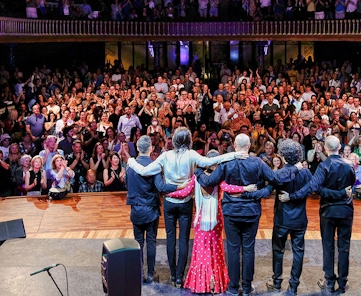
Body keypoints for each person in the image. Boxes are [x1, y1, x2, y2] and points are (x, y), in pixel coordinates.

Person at [126, 127, 248, 288]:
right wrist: (234, 154)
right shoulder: (191, 155)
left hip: (170, 201)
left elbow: (144, 170)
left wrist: (130, 160)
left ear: (174, 140)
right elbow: (211, 161)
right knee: (183, 240)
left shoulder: (165, 156)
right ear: (189, 140)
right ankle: (178, 278)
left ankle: (171, 274)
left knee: (171, 239)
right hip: (185, 202)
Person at [193, 133, 296, 296]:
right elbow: (275, 179)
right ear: (249, 146)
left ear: (234, 145)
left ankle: (233, 288)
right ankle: (247, 287)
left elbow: (208, 182)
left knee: (233, 249)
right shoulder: (257, 163)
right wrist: (266, 190)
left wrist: (197, 170)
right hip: (251, 212)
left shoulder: (226, 162)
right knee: (248, 249)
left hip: (231, 212)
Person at [168, 152, 255, 294]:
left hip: (200, 218)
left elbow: (185, 192)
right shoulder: (218, 178)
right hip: (215, 218)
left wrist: (168, 193)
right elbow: (228, 188)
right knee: (216, 249)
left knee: (201, 250)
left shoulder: (196, 178)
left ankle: (202, 283)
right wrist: (244, 188)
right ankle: (215, 281)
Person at [279, 135, 355, 295]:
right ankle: (342, 283)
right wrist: (341, 193)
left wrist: (292, 196)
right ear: (339, 147)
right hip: (346, 210)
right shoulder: (349, 165)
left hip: (328, 211)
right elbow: (350, 186)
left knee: (328, 247)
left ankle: (329, 282)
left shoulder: (324, 166)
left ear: (326, 149)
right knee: (344, 248)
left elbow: (314, 188)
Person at [258, 139, 313, 296]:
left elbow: (269, 187)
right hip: (299, 219)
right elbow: (310, 190)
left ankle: (277, 283)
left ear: (283, 156)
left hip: (282, 219)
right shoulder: (306, 172)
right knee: (298, 252)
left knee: (278, 251)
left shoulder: (280, 173)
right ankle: (293, 286)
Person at [125, 135, 183, 285]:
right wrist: (179, 186)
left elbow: (127, 184)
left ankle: (138, 273)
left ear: (137, 148)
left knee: (138, 242)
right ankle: (150, 274)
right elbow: (161, 187)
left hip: (136, 210)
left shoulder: (129, 167)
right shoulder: (154, 165)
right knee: (151, 242)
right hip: (150, 210)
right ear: (151, 148)